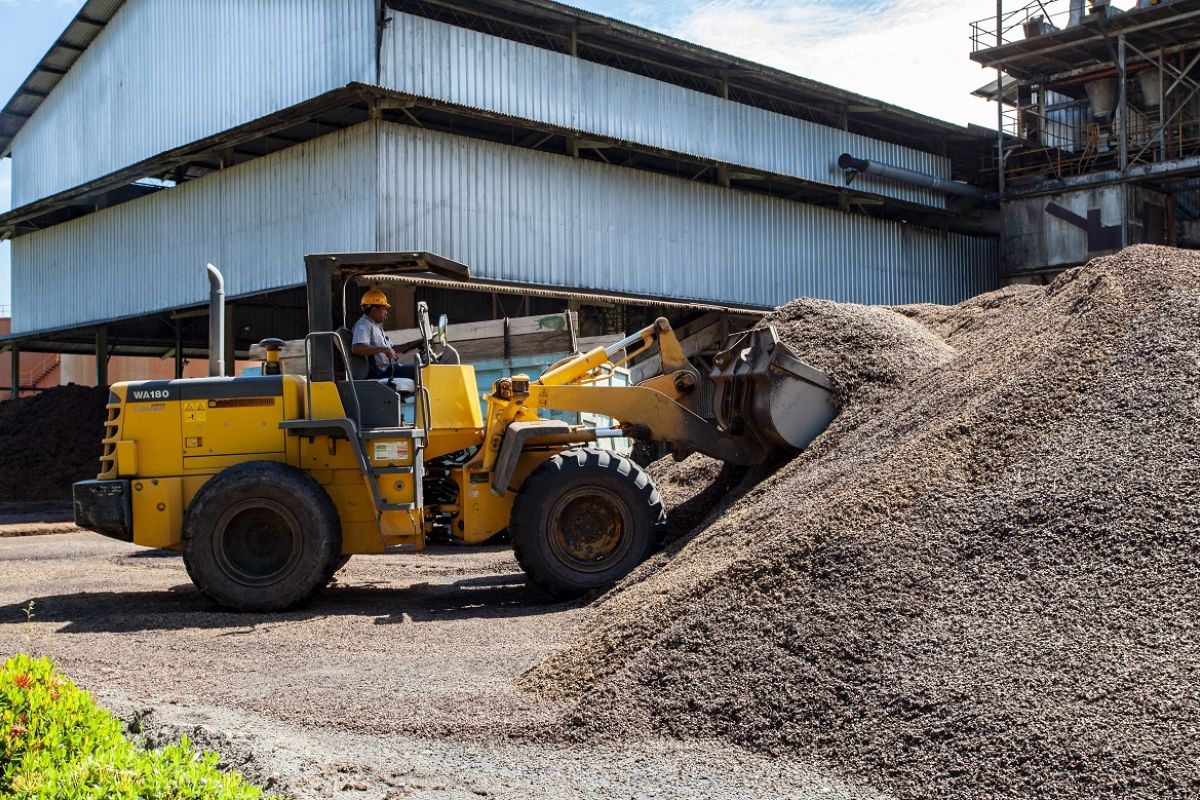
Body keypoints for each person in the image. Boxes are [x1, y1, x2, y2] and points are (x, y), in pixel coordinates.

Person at [351, 289, 414, 381]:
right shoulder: (364, 325)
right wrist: (384, 349)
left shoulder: (375, 325)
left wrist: (412, 344)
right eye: (384, 309)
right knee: (418, 370)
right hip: (381, 372)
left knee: (417, 367)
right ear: (374, 310)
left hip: (389, 368)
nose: (386, 313)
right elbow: (357, 348)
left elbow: (392, 349)